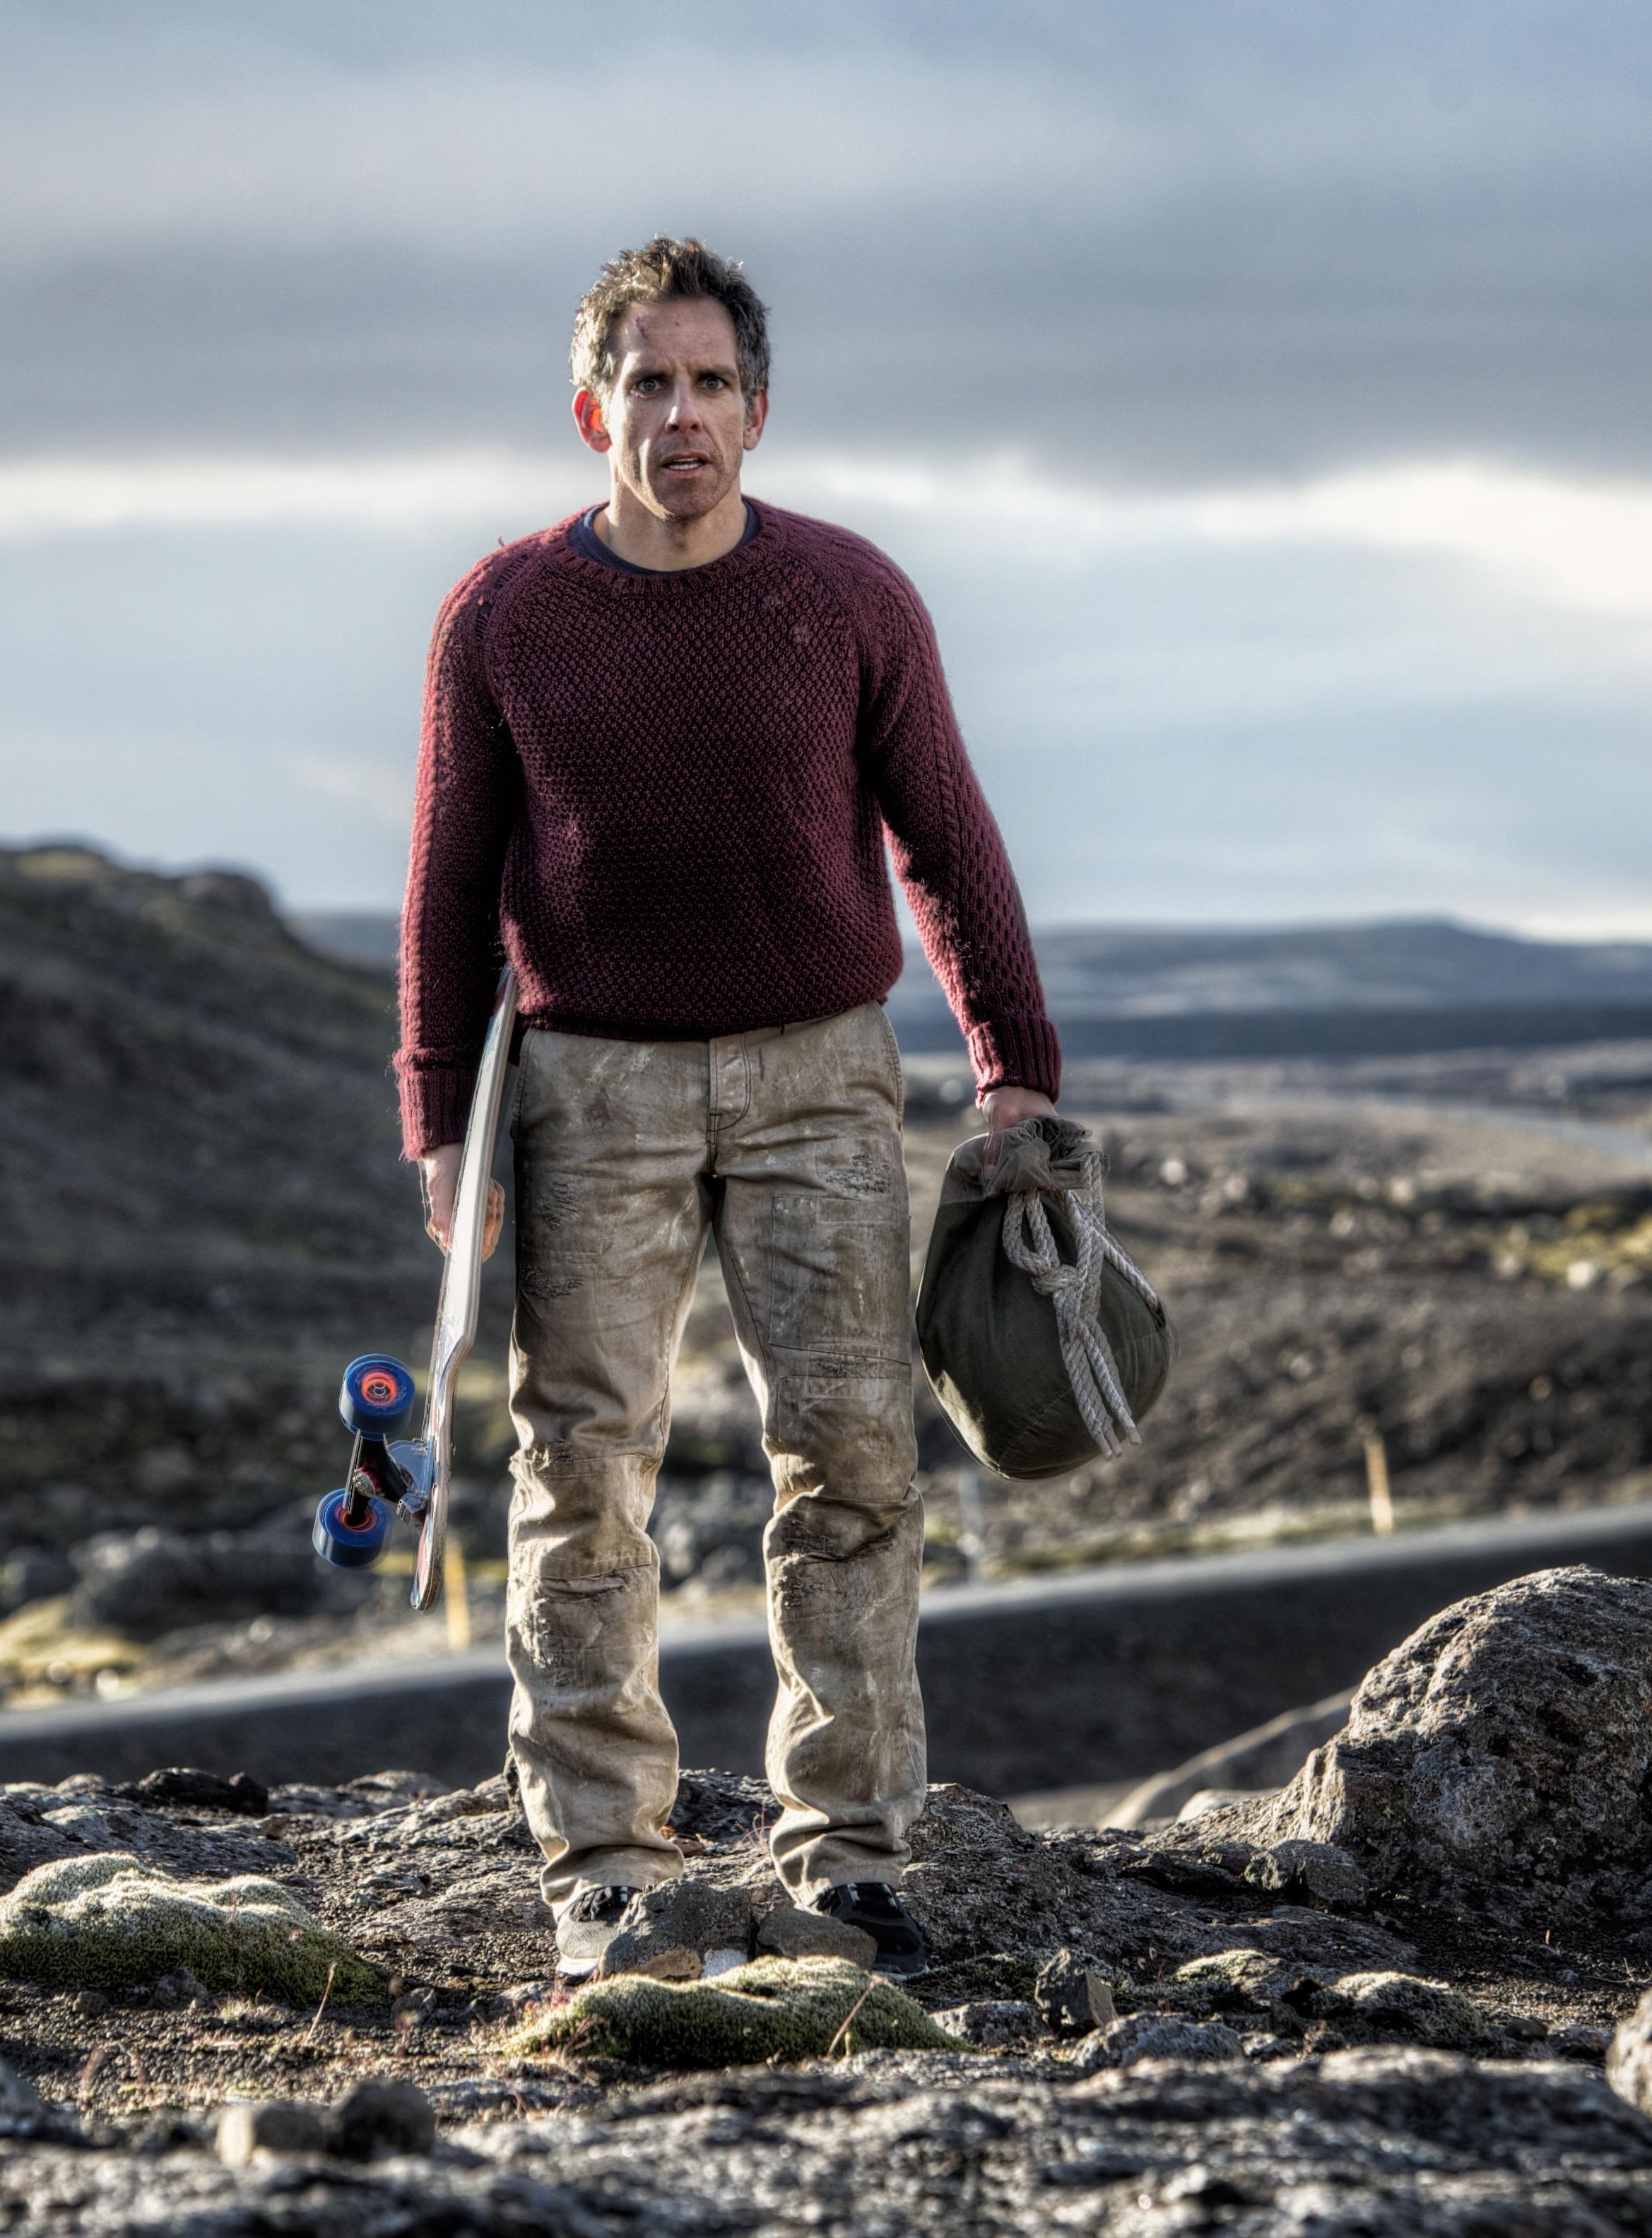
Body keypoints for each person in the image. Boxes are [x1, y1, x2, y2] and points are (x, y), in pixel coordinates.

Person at [395, 236, 1059, 1980]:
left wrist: (1015, 1075)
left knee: (847, 1456)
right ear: (588, 409)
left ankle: (845, 1847)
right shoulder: (503, 616)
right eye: (646, 383)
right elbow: (449, 888)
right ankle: (604, 1857)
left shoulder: (847, 599)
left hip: (817, 1077)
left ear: (758, 412)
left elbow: (949, 841)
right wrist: (438, 1128)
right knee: (578, 1465)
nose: (677, 415)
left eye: (708, 385)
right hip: (585, 1083)